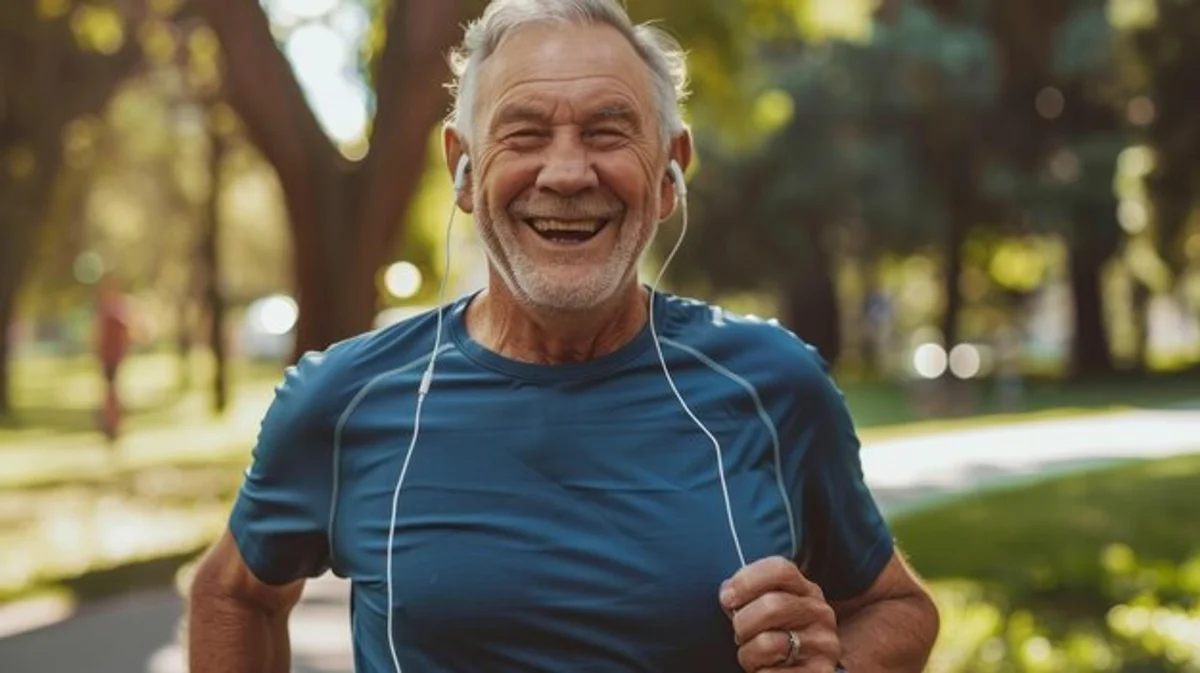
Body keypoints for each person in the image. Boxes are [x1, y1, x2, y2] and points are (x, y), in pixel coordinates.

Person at [187, 1, 940, 671]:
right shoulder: (348, 400)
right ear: (463, 167)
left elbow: (896, 607)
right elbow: (234, 595)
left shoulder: (773, 384)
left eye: (608, 131)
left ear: (670, 170)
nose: (569, 171)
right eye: (525, 134)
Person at [94, 273, 131, 444]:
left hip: (114, 357)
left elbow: (126, 334)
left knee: (112, 391)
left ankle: (113, 423)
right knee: (110, 391)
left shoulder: (115, 310)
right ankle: (110, 422)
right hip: (106, 357)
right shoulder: (105, 310)